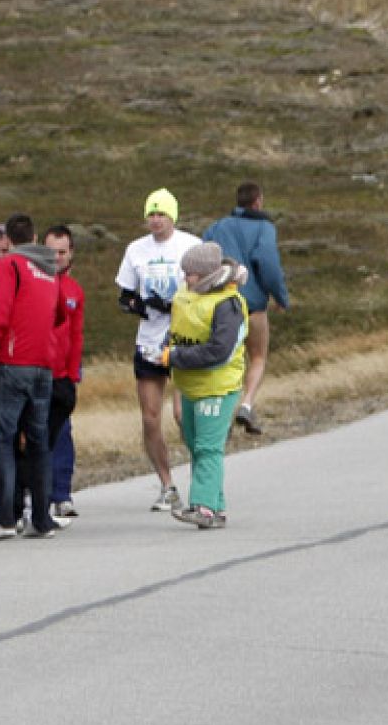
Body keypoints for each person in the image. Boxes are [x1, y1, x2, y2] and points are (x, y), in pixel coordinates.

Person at [0, 214, 62, 542]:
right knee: (38, 443)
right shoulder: (49, 269)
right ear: (36, 236)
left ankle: (5, 518)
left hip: (14, 362)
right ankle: (40, 517)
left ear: (9, 240)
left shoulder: (8, 266)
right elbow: (59, 313)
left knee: (2, 440)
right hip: (44, 365)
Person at [115, 188, 202, 512]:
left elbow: (206, 286)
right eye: (151, 214)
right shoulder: (136, 250)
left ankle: (202, 477)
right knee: (151, 418)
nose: (155, 220)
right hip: (149, 341)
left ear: (173, 216)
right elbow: (125, 295)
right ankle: (167, 485)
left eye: (161, 214)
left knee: (183, 415)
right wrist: (138, 305)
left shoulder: (189, 245)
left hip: (183, 338)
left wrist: (175, 304)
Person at [161, 242, 249, 528]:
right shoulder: (188, 295)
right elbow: (178, 329)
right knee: (196, 445)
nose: (186, 278)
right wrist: (164, 349)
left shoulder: (228, 303)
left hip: (217, 385)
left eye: (192, 274)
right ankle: (216, 506)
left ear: (208, 274)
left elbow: (218, 350)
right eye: (185, 273)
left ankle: (204, 507)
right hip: (190, 384)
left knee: (208, 447)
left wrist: (174, 356)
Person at [203, 181, 290, 435]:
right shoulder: (264, 228)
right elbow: (268, 263)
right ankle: (247, 404)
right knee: (258, 357)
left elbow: (203, 257)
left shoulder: (217, 227)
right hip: (253, 307)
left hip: (220, 305)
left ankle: (223, 416)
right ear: (258, 201)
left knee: (224, 361)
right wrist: (280, 297)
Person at [44, 225, 85, 519]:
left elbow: (77, 334)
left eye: (62, 252)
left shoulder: (74, 290)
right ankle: (37, 491)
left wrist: (73, 374)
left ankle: (61, 493)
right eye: (51, 252)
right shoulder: (33, 282)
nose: (56, 257)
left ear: (70, 253)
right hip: (34, 370)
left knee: (62, 433)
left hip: (62, 374)